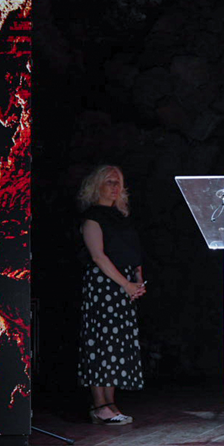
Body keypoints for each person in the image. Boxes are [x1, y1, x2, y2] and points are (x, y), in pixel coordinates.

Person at [76, 165, 146, 425]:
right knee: (101, 344)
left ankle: (110, 403)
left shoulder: (122, 216)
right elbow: (98, 256)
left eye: (118, 182)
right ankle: (100, 405)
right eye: (109, 182)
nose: (115, 187)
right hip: (103, 286)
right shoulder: (93, 217)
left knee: (116, 345)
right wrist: (124, 284)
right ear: (97, 186)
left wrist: (137, 280)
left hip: (123, 284)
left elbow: (133, 251)